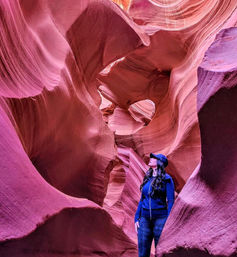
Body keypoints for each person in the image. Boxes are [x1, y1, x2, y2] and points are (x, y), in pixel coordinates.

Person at [134, 153, 175, 257]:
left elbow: (170, 201)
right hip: (144, 219)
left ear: (160, 162)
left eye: (154, 158)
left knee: (160, 252)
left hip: (160, 219)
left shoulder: (167, 179)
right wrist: (136, 218)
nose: (151, 159)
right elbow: (142, 199)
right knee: (142, 252)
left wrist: (168, 221)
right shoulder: (147, 178)